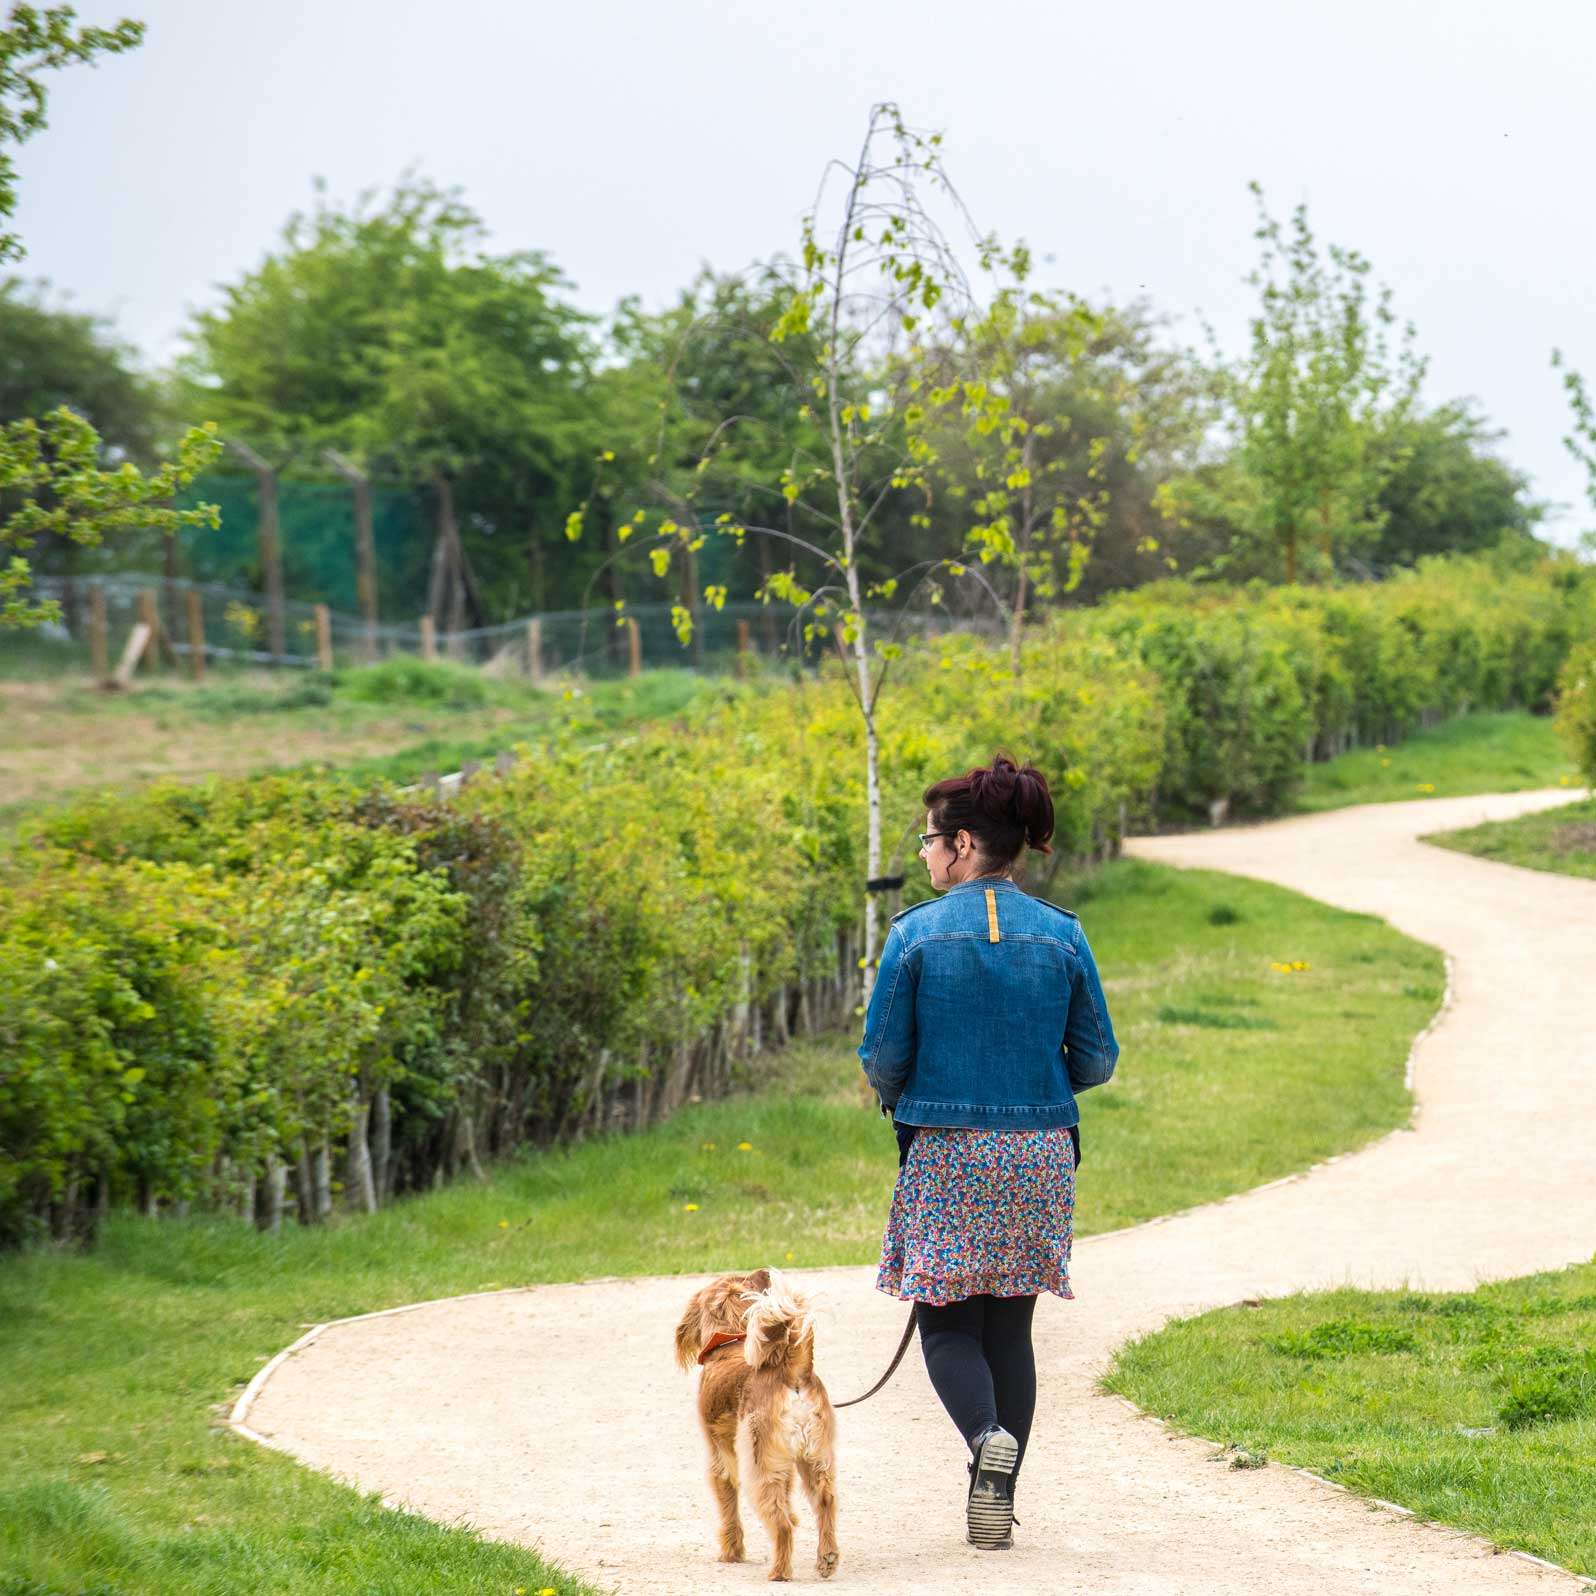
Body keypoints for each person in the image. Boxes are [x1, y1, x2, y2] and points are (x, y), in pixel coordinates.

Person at [858, 753, 1119, 1552]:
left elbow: (881, 1056)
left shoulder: (914, 937)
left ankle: (983, 1440)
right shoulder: (1064, 935)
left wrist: (908, 1095)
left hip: (945, 1152)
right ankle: (994, 1504)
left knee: (944, 1325)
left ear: (964, 844)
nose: (927, 856)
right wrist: (1039, 1086)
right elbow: (1098, 1059)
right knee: (1011, 1330)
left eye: (932, 842)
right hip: (1040, 1153)